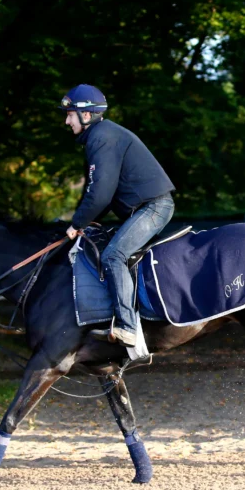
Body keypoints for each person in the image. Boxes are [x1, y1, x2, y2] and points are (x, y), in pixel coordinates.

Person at [60, 84, 176, 346]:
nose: (66, 121)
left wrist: (77, 223)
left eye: (69, 115)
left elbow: (100, 193)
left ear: (86, 116)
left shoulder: (101, 138)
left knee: (114, 255)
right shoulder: (101, 136)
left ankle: (128, 326)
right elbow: (99, 191)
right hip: (144, 207)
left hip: (154, 207)